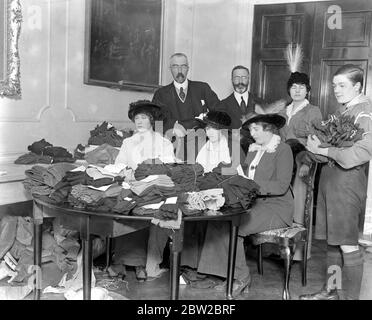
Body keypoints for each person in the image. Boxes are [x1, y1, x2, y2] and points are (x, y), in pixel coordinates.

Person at [194, 112, 294, 297]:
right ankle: (220, 274)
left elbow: (281, 185)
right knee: (218, 220)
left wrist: (250, 186)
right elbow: (244, 175)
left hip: (277, 207)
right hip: (254, 203)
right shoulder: (254, 149)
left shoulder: (283, 150)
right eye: (250, 129)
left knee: (235, 225)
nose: (252, 133)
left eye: (256, 129)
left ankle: (241, 277)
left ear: (269, 129)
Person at [300, 64, 372, 300]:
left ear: (358, 86)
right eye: (334, 85)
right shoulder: (342, 112)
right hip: (331, 180)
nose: (336, 90)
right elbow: (327, 151)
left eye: (342, 85)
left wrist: (325, 150)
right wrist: (310, 148)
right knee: (332, 243)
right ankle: (331, 291)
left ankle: (349, 298)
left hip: (347, 184)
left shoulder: (365, 113)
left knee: (347, 244)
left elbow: (357, 156)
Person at [145, 111, 245, 279]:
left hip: (227, 194)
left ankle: (188, 265)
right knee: (168, 207)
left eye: (214, 129)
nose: (209, 132)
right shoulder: (207, 146)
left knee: (179, 212)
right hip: (203, 190)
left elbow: (238, 179)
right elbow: (199, 171)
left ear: (224, 131)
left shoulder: (233, 147)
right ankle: (172, 264)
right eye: (207, 128)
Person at [110, 100, 175, 281]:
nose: (139, 121)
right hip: (131, 186)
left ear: (152, 120)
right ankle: (122, 261)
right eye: (136, 118)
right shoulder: (128, 142)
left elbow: (168, 168)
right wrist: (127, 173)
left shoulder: (164, 143)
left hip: (156, 188)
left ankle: (139, 264)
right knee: (124, 206)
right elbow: (119, 165)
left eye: (144, 117)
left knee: (142, 209)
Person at [152, 52, 220, 161]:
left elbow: (219, 112)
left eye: (183, 66)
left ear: (188, 68)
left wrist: (208, 126)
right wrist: (173, 125)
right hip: (173, 143)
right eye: (175, 66)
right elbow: (155, 120)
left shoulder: (202, 88)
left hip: (201, 142)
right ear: (170, 69)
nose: (179, 70)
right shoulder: (161, 94)